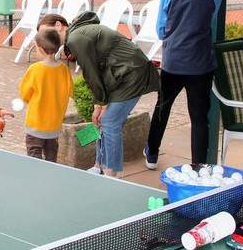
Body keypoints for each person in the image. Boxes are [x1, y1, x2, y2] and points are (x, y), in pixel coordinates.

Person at [38, 12, 159, 177]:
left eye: (46, 31)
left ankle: (111, 173)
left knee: (110, 122)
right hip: (119, 74)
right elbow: (95, 71)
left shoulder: (75, 38)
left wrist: (101, 102)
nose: (46, 37)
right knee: (100, 121)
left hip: (131, 74)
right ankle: (99, 166)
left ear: (59, 25)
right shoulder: (77, 35)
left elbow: (91, 73)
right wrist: (98, 105)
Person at [143, 0, 223, 171]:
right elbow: (210, 20)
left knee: (162, 107)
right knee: (199, 118)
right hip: (201, 65)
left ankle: (152, 153)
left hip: (174, 62)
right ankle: (198, 167)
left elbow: (161, 30)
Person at [19, 27, 74, 162]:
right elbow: (70, 91)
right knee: (51, 157)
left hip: (36, 124)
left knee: (34, 158)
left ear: (41, 50)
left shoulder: (35, 69)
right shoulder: (64, 70)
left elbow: (24, 94)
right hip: (54, 125)